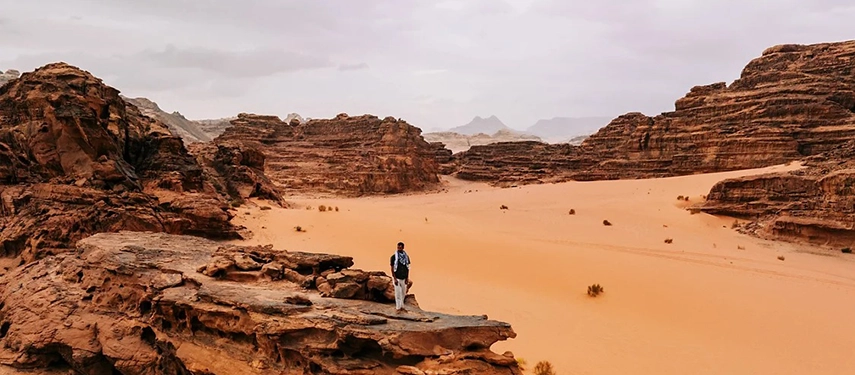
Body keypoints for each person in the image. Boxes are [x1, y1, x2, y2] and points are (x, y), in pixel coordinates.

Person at [389, 241, 411, 311]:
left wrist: (407, 278)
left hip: (404, 278)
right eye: (398, 247)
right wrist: (394, 278)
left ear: (403, 248)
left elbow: (407, 268)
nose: (399, 248)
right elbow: (392, 268)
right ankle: (398, 307)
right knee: (398, 293)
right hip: (397, 278)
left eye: (400, 247)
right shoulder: (394, 257)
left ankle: (402, 306)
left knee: (403, 292)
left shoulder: (406, 257)